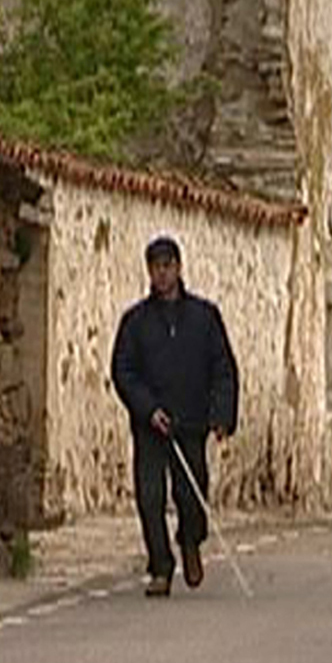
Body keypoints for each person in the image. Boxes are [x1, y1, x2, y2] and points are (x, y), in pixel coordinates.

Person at [110, 235, 239, 597]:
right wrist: (148, 408)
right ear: (149, 272)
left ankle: (190, 541)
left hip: (191, 420)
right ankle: (161, 568)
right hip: (151, 425)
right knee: (150, 496)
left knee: (192, 493)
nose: (162, 274)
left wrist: (221, 415)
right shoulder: (135, 322)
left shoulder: (204, 317)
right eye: (155, 267)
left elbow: (222, 367)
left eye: (168, 266)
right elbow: (123, 370)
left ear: (179, 268)